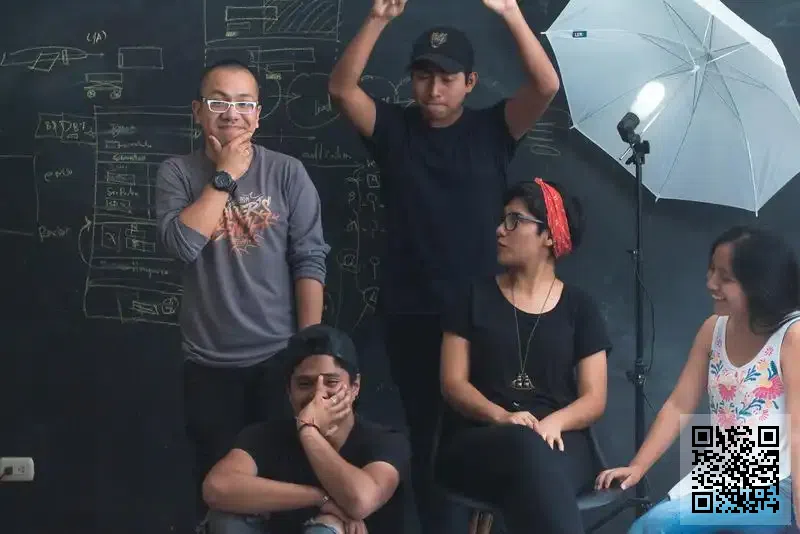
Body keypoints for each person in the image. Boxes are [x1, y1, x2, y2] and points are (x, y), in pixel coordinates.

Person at [328, 1, 561, 531]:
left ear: (470, 82)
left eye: (448, 78)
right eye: (423, 76)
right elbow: (341, 90)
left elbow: (545, 86)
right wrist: (378, 19)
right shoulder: (394, 129)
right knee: (424, 431)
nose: (434, 89)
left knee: (488, 429)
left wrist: (510, 12)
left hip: (484, 314)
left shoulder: (493, 129)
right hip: (412, 309)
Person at [155, 59, 331, 520]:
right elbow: (182, 245)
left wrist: (308, 353)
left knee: (286, 491)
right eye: (218, 103)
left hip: (278, 361)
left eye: (243, 103)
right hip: (208, 366)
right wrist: (225, 176)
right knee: (219, 500)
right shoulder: (177, 173)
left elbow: (309, 259)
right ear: (198, 111)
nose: (231, 113)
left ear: (258, 114)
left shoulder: (287, 173)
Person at [434, 178, 611, 534]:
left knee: (540, 470)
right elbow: (452, 383)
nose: (500, 230)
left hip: (559, 437)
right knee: (528, 454)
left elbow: (594, 398)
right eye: (502, 220)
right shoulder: (472, 297)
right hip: (482, 437)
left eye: (514, 220)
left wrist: (554, 423)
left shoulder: (581, 308)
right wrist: (501, 416)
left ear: (549, 236)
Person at [596, 226, 800, 533]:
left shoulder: (792, 336)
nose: (710, 283)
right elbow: (679, 404)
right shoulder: (712, 329)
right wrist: (637, 467)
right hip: (717, 477)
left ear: (760, 284)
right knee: (650, 527)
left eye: (725, 277)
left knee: (655, 526)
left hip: (775, 483)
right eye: (711, 270)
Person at [201, 323, 411, 534]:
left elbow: (360, 501)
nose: (318, 394)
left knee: (325, 529)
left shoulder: (385, 442)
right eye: (304, 384)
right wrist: (318, 498)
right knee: (226, 519)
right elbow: (217, 487)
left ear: (354, 387)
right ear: (289, 391)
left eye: (331, 382)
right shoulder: (264, 436)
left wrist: (309, 431)